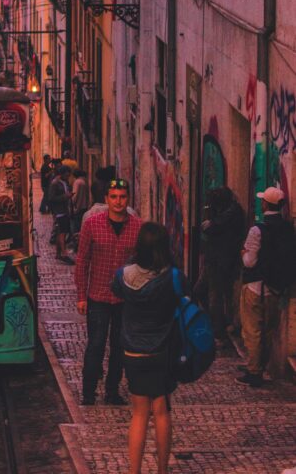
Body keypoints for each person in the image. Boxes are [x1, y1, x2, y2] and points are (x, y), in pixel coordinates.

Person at [112, 222, 184, 474]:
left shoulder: (124, 275)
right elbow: (182, 296)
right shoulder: (172, 276)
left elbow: (115, 290)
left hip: (132, 352)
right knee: (161, 411)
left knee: (139, 414)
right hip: (161, 352)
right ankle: (162, 470)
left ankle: (134, 471)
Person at [75, 177, 142, 405]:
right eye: (113, 197)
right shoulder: (92, 225)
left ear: (127, 199)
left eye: (122, 197)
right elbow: (82, 261)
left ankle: (112, 391)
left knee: (119, 346)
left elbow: (142, 264)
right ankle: (88, 392)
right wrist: (81, 296)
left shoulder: (137, 227)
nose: (118, 202)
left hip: (125, 298)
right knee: (95, 344)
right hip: (98, 296)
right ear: (106, 199)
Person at [238, 186, 296, 387]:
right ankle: (260, 365)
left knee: (252, 330)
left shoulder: (257, 230)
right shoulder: (289, 229)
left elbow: (249, 262)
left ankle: (254, 372)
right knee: (268, 331)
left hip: (255, 287)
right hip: (276, 289)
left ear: (265, 204)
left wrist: (243, 253)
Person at [195, 186, 245, 340]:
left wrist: (211, 221)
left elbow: (209, 228)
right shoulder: (227, 212)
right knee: (200, 292)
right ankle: (219, 324)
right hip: (214, 260)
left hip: (220, 261)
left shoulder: (231, 214)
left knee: (214, 297)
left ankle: (218, 331)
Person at [47, 165, 74, 263]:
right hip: (59, 211)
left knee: (61, 232)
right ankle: (64, 253)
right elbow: (51, 198)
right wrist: (65, 196)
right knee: (62, 233)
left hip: (65, 210)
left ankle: (58, 254)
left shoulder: (65, 182)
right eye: (67, 174)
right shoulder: (55, 183)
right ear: (62, 173)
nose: (68, 176)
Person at [71, 168, 89, 238]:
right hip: (83, 206)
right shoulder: (84, 181)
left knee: (76, 226)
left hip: (77, 207)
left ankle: (75, 242)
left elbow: (74, 196)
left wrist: (72, 204)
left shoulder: (77, 182)